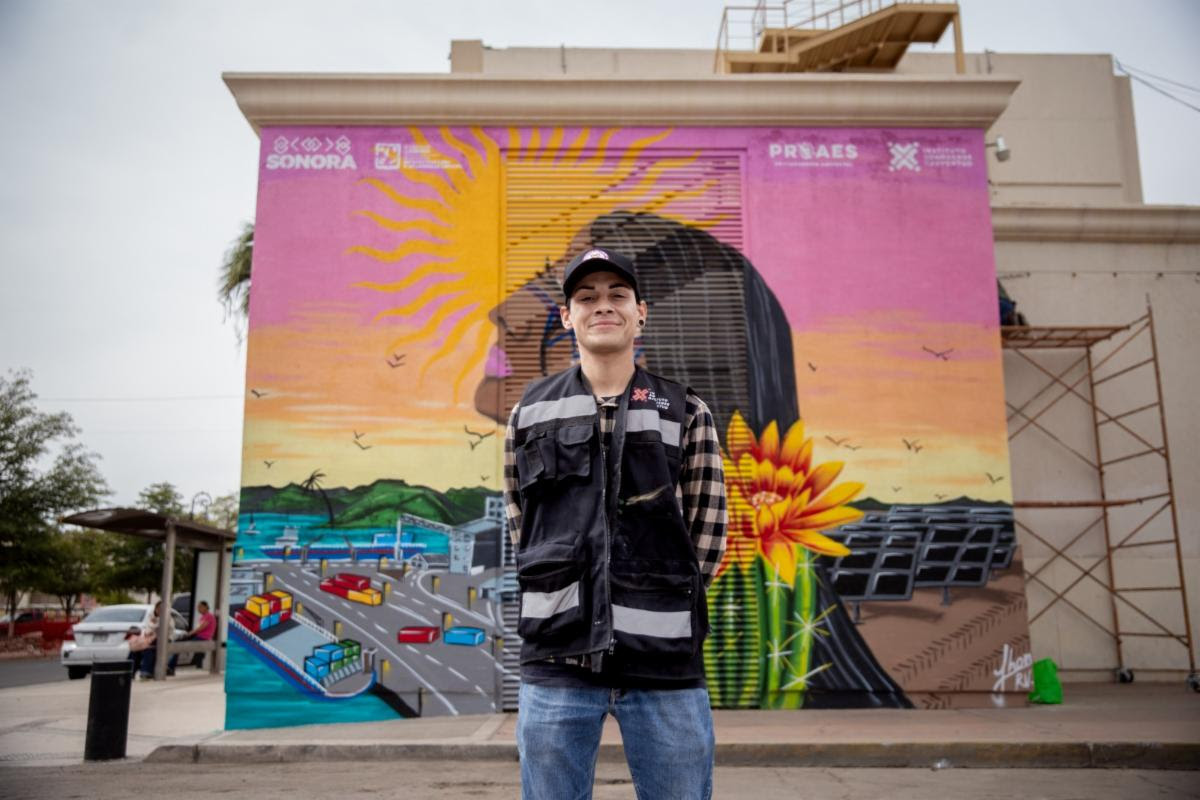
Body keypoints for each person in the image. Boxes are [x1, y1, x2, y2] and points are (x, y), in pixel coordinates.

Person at [504, 246, 728, 800]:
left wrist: (660, 599)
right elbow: (522, 527)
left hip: (663, 662)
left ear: (640, 312)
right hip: (557, 658)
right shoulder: (529, 413)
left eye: (617, 295)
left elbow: (707, 534)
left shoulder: (684, 410)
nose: (602, 305)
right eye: (586, 297)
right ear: (567, 317)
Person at [133, 601, 175, 680]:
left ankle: (146, 671)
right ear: (155, 608)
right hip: (150, 639)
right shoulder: (151, 616)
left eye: (162, 608)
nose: (160, 610)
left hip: (164, 640)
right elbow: (147, 630)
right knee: (135, 649)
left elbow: (163, 630)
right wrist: (152, 627)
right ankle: (131, 671)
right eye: (158, 608)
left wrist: (153, 625)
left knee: (148, 648)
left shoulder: (168, 618)